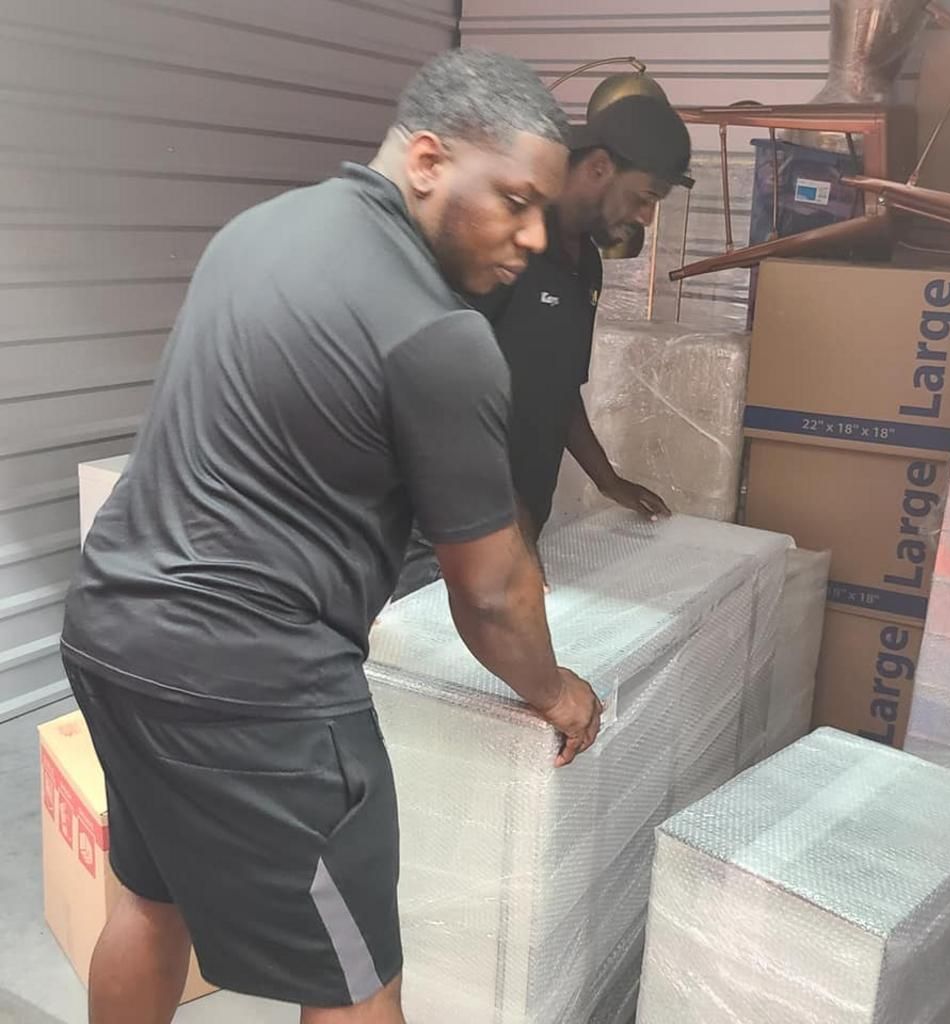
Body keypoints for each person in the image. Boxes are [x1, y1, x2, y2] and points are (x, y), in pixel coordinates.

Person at [59, 49, 603, 1024]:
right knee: (355, 980)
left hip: (111, 631)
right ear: (429, 160)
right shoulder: (440, 335)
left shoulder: (259, 231)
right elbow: (492, 594)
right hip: (254, 689)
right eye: (516, 201)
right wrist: (559, 690)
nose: (531, 237)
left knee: (149, 900)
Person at [394, 92, 692, 599]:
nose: (645, 217)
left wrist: (606, 479)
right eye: (645, 197)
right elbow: (440, 398)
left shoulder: (585, 264)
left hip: (516, 524)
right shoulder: (502, 241)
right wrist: (511, 520)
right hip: (443, 535)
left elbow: (559, 386)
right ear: (598, 167)